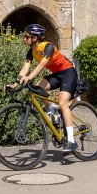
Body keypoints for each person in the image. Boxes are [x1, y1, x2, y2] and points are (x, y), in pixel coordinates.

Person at [15, 24, 79, 154]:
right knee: (38, 88)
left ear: (35, 38)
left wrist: (29, 77)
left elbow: (42, 64)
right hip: (56, 74)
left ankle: (71, 141)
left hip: (68, 73)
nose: (24, 39)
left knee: (62, 103)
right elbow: (25, 69)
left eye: (26, 36)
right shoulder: (31, 51)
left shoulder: (48, 47)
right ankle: (52, 108)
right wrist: (15, 84)